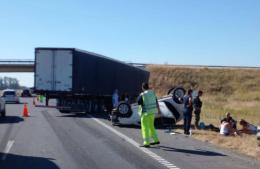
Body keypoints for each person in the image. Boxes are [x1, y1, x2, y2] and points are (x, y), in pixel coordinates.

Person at [137, 82, 160, 147]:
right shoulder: (152, 93)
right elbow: (156, 101)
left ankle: (146, 142)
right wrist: (159, 110)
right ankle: (156, 140)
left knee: (145, 128)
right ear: (148, 87)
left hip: (145, 113)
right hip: (152, 113)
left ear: (142, 87)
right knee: (151, 126)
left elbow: (138, 102)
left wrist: (140, 96)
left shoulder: (143, 94)